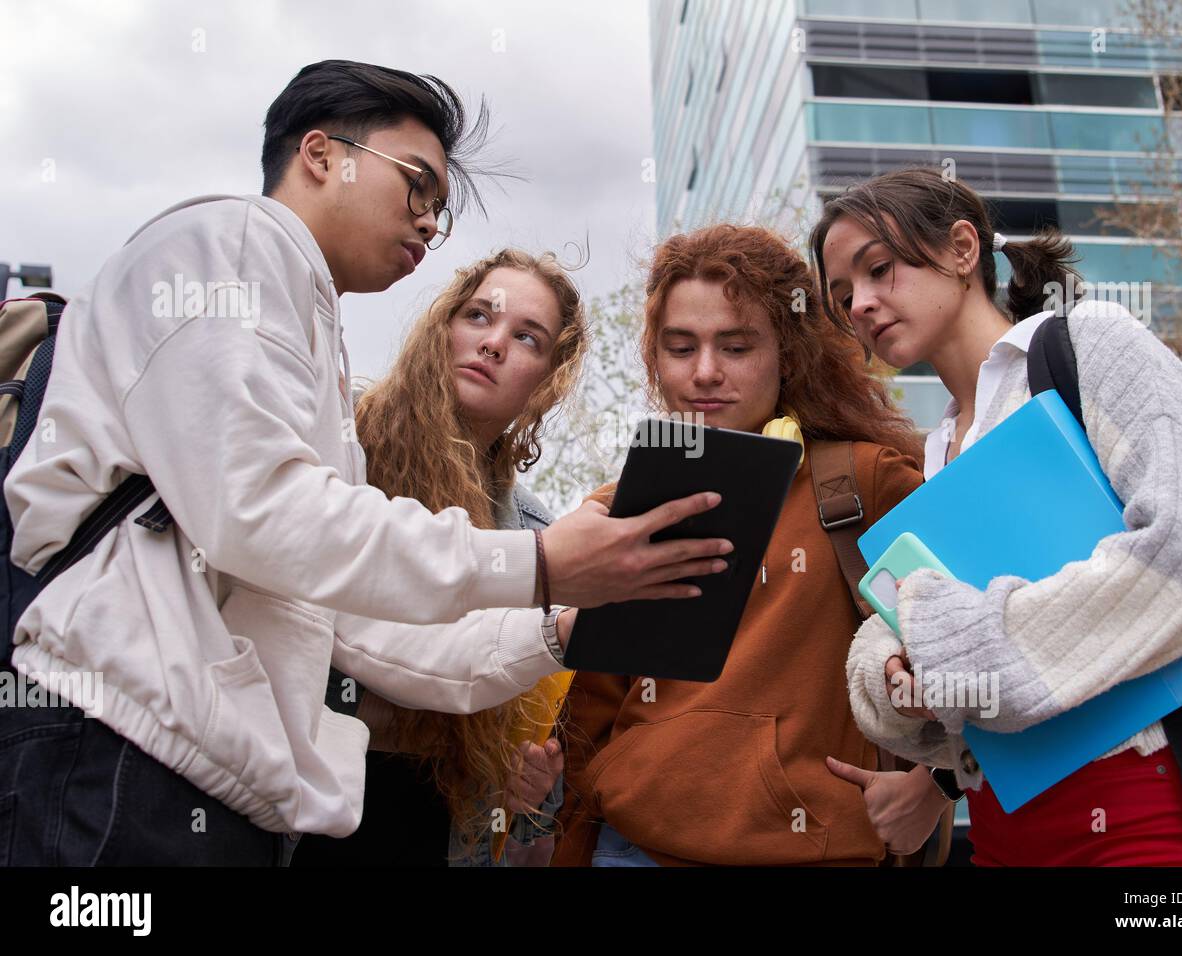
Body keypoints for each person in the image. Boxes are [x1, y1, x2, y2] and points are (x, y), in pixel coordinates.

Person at [0, 60, 731, 866]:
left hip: (204, 784)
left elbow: (372, 629)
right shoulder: (233, 240)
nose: (427, 222)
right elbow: (262, 512)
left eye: (440, 211)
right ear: (320, 155)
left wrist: (560, 621)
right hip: (118, 756)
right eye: (417, 185)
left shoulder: (309, 323)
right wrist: (539, 562)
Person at [813, 167, 1182, 866]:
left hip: (1149, 801)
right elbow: (919, 628)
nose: (862, 305)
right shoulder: (935, 448)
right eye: (842, 297)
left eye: (879, 270)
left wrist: (954, 648)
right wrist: (900, 682)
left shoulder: (1089, 343)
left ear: (963, 249)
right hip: (1002, 828)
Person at [551, 224, 928, 866]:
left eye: (736, 345)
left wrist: (937, 787)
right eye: (680, 347)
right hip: (633, 849)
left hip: (813, 851)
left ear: (787, 351)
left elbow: (986, 641)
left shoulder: (862, 482)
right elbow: (586, 722)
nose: (705, 373)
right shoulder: (615, 512)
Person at [294, 248, 584, 867]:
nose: (494, 343)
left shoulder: (536, 531)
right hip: (300, 810)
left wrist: (526, 790)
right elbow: (282, 639)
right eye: (479, 316)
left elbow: (525, 804)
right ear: (443, 326)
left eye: (527, 337)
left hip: (438, 832)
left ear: (548, 381)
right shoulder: (340, 446)